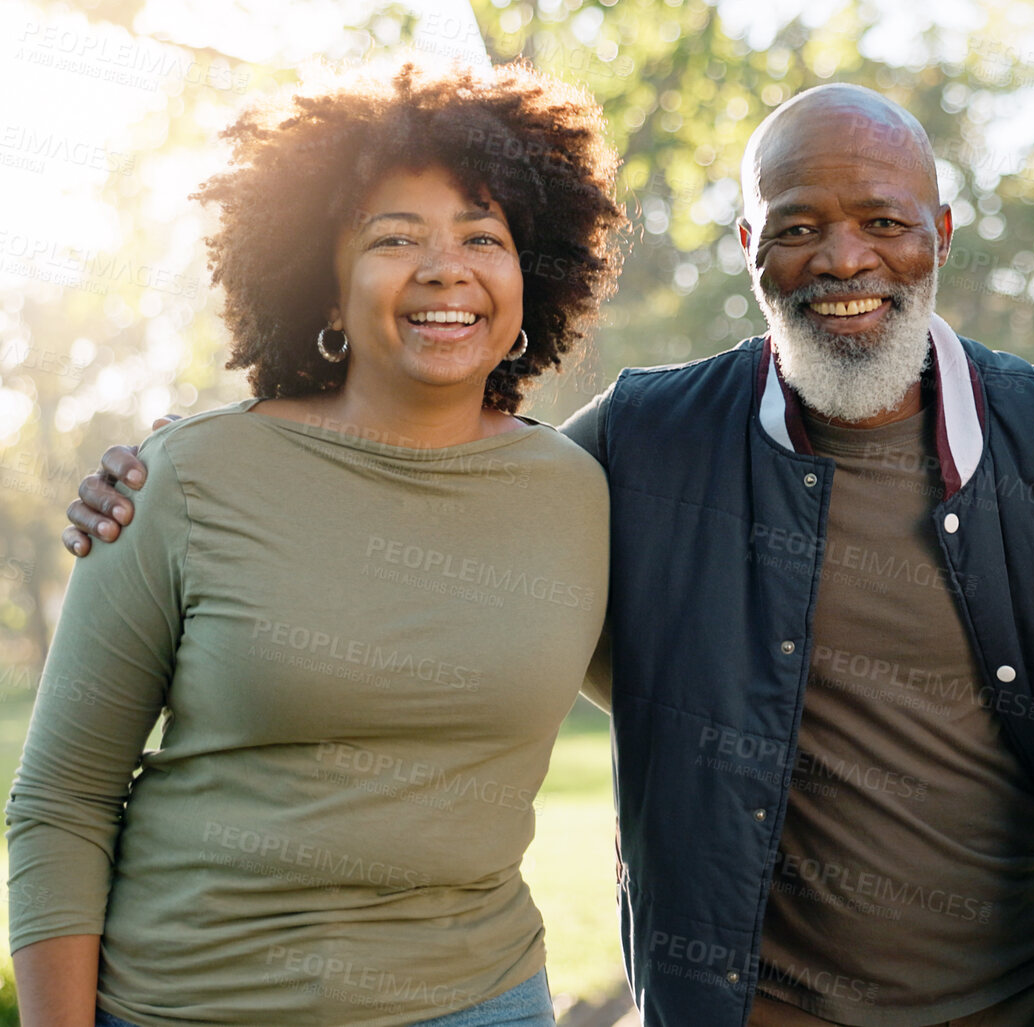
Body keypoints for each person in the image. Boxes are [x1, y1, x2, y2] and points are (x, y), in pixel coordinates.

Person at [63, 83, 1034, 1026]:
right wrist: (192, 461)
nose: (844, 258)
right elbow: (420, 495)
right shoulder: (643, 436)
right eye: (798, 225)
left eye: (884, 222)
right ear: (748, 245)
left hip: (1015, 998)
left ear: (939, 229)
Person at [11, 62, 624, 1027]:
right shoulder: (182, 478)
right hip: (192, 1005)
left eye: (482, 236)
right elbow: (63, 798)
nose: (444, 267)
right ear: (325, 290)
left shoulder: (579, 492)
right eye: (394, 238)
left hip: (481, 1000)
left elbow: (695, 695)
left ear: (530, 279)